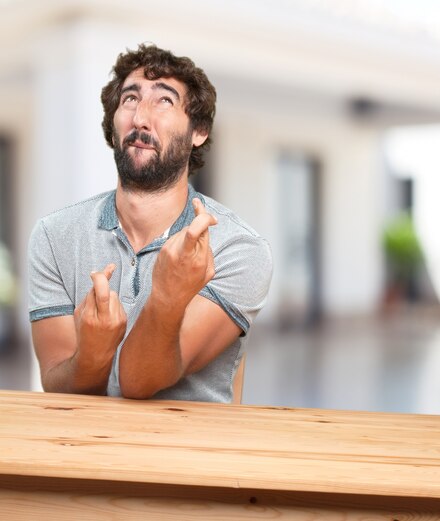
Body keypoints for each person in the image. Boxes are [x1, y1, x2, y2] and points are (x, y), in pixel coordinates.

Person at [27, 44, 272, 403]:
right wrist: (91, 356)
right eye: (129, 99)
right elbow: (57, 386)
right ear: (113, 127)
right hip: (84, 453)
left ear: (198, 132)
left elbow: (140, 382)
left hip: (190, 454)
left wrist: (167, 297)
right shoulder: (53, 237)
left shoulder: (238, 249)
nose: (140, 118)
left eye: (164, 101)